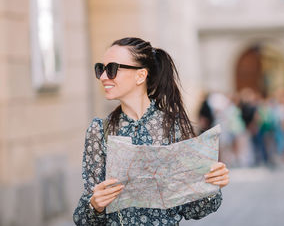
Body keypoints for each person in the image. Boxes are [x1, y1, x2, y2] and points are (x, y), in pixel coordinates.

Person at [73, 37, 229, 225]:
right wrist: (94, 205)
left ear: (140, 75)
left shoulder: (173, 127)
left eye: (112, 69)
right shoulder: (99, 131)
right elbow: (83, 218)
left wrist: (211, 185)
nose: (104, 77)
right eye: (101, 69)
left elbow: (193, 208)